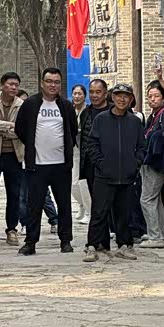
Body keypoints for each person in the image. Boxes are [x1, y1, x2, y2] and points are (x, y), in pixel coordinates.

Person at [15, 67, 78, 256]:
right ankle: (31, 242)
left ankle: (65, 240)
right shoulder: (31, 104)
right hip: (37, 165)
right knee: (34, 205)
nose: (53, 85)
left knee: (64, 204)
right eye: (49, 81)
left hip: (61, 165)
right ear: (42, 83)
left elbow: (72, 130)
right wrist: (33, 146)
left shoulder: (66, 106)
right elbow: (20, 129)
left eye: (56, 82)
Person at [82, 82, 146, 263]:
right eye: (118, 95)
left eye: (126, 96)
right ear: (112, 97)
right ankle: (92, 245)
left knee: (124, 213)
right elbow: (92, 144)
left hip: (127, 176)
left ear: (131, 99)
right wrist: (101, 163)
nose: (122, 99)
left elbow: (142, 147)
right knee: (99, 212)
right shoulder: (101, 119)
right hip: (104, 176)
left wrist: (135, 164)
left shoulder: (135, 121)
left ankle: (124, 245)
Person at [0, 71, 26, 245]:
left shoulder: (22, 104)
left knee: (14, 194)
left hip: (14, 155)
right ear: (2, 85)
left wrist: (1, 128)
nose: (13, 88)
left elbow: (22, 129)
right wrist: (11, 127)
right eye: (10, 84)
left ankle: (12, 229)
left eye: (16, 85)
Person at [139, 83, 164, 249]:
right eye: (150, 96)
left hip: (157, 162)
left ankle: (155, 236)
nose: (152, 99)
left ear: (163, 98)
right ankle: (160, 234)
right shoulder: (153, 115)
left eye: (156, 96)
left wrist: (153, 138)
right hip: (149, 161)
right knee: (155, 199)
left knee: (146, 199)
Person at [78, 79, 110, 217]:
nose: (94, 95)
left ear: (105, 93)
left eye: (98, 92)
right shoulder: (86, 112)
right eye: (91, 92)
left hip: (109, 163)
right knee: (96, 201)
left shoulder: (114, 111)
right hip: (90, 164)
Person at [71, 84, 91, 223]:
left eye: (80, 94)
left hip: (84, 150)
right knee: (72, 184)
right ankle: (82, 204)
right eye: (75, 93)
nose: (77, 96)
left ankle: (89, 211)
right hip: (72, 150)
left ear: (84, 96)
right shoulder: (70, 110)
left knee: (82, 183)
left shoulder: (88, 111)